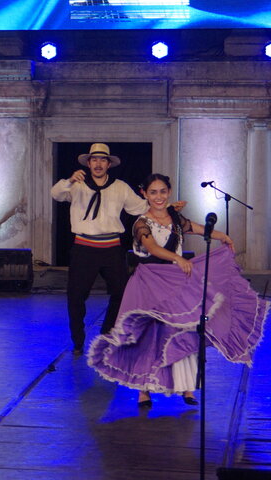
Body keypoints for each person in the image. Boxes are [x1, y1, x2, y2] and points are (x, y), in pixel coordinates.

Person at [87, 174, 268, 407]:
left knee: (184, 329)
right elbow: (152, 247)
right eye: (153, 192)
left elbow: (198, 229)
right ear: (144, 194)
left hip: (175, 279)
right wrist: (177, 258)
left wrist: (223, 236)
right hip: (149, 281)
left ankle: (187, 386)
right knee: (149, 334)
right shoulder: (141, 223)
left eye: (162, 191)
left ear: (169, 192)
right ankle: (144, 391)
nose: (158, 197)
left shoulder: (175, 219)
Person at [51, 143, 155, 355]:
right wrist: (70, 180)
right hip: (83, 247)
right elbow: (56, 194)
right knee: (76, 296)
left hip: (111, 248)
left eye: (102, 160)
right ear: (89, 163)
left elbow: (140, 207)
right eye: (94, 159)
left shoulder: (120, 187)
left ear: (109, 164)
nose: (98, 164)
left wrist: (165, 207)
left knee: (122, 293)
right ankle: (78, 340)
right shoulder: (77, 185)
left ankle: (107, 332)